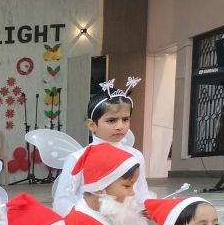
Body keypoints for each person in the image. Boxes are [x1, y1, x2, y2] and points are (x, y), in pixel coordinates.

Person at [52, 80, 150, 216]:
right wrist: (82, 221)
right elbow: (62, 201)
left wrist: (147, 207)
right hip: (90, 221)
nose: (120, 126)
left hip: (128, 221)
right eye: (111, 120)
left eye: (125, 119)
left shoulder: (135, 156)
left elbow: (141, 191)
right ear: (92, 125)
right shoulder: (79, 158)